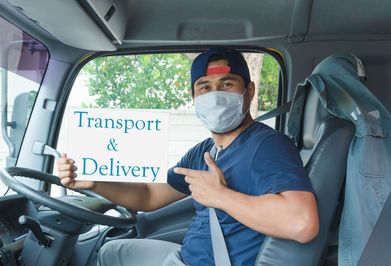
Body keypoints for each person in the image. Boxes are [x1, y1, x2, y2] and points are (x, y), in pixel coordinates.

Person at [57, 47, 319, 266]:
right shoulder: (205, 150)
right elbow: (149, 195)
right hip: (186, 257)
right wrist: (94, 183)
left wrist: (221, 197)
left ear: (248, 92)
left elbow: (303, 223)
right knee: (109, 252)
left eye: (227, 84)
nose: (215, 96)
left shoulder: (268, 145)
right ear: (194, 97)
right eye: (205, 87)